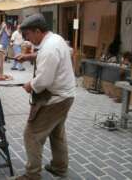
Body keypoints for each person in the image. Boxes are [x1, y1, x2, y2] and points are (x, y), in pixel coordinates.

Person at [15, 14, 76, 180]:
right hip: (66, 96)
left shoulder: (49, 48)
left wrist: (30, 85)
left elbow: (44, 80)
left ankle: (32, 175)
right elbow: (49, 57)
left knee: (32, 135)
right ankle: (59, 167)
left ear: (37, 30)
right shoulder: (55, 39)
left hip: (55, 99)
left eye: (27, 35)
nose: (27, 40)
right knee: (57, 132)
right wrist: (29, 56)